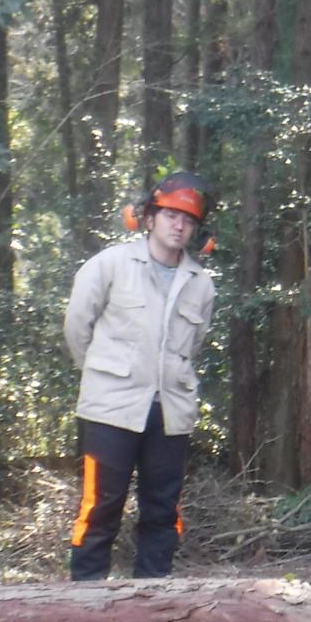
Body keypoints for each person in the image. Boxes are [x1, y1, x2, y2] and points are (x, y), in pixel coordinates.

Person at [65, 171, 218, 581]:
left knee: (163, 511)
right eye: (170, 215)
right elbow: (77, 326)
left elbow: (192, 345)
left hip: (170, 413)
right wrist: (103, 375)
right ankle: (84, 601)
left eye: (187, 220)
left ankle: (153, 604)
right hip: (109, 410)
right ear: (148, 217)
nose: (178, 225)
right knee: (100, 507)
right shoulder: (110, 264)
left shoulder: (201, 285)